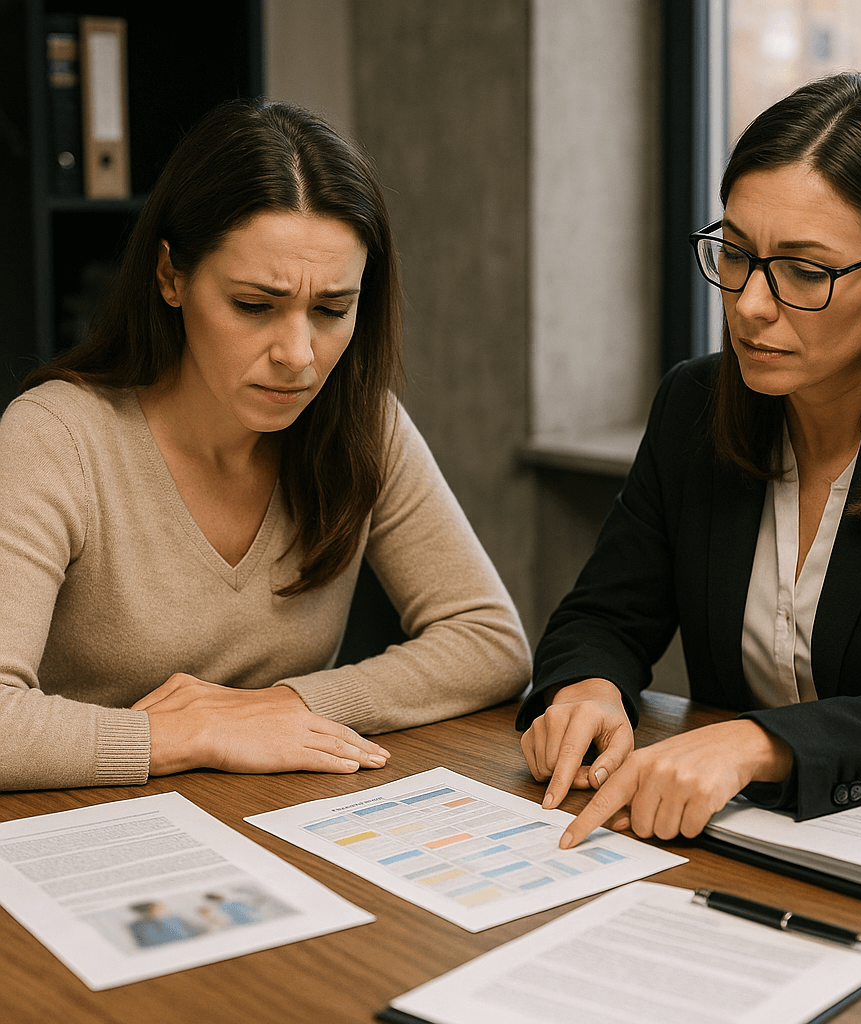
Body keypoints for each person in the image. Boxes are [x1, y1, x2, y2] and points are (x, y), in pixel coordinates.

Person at [518, 73, 861, 850]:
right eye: (736, 253)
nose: (751, 303)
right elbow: (603, 616)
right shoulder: (696, 404)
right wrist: (586, 688)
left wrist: (761, 743)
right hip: (731, 848)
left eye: (804, 271)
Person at [0, 99, 530, 791]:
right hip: (84, 834)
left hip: (268, 816)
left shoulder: (363, 422)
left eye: (333, 310)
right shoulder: (57, 435)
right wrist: (191, 731)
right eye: (255, 306)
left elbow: (490, 642)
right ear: (171, 276)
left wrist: (285, 705)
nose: (299, 356)